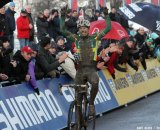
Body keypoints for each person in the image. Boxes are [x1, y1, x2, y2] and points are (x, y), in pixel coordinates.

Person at [60, 6, 111, 117]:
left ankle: (91, 103)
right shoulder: (76, 39)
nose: (83, 30)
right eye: (80, 28)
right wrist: (62, 16)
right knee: (78, 98)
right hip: (81, 70)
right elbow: (62, 30)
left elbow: (108, 28)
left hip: (91, 70)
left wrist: (106, 15)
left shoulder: (95, 38)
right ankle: (79, 119)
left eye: (85, 28)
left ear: (88, 29)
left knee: (95, 82)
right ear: (78, 30)